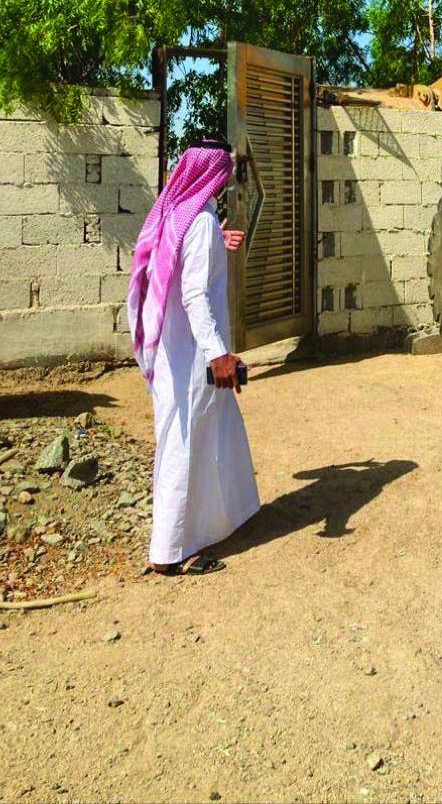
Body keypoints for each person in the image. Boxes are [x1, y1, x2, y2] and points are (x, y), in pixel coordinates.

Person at [126, 139, 260, 576]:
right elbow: (195, 295)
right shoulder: (199, 222)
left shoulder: (183, 215)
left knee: (213, 431)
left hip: (178, 353)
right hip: (194, 356)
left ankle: (216, 523)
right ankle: (170, 553)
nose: (226, 181)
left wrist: (218, 239)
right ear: (214, 176)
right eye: (224, 174)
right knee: (184, 443)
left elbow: (179, 263)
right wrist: (218, 354)